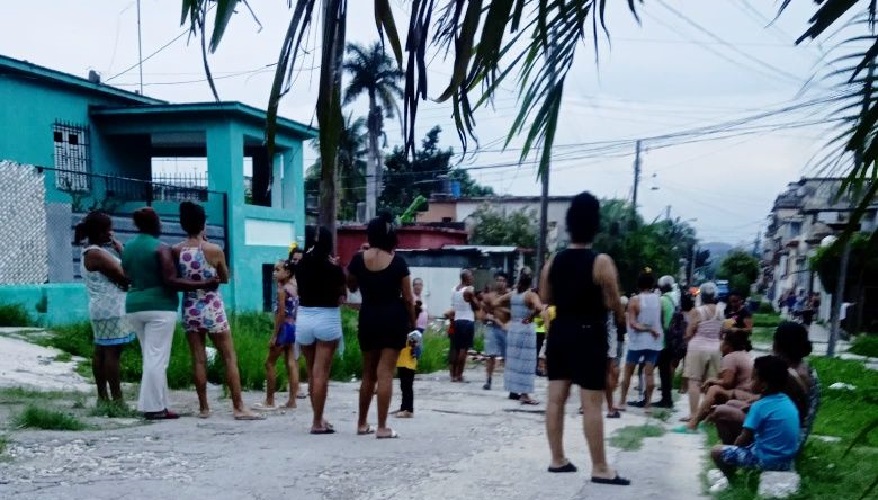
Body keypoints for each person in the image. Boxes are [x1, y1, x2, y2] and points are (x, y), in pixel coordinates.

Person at [540, 192, 629, 485]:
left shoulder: (554, 261)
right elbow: (615, 302)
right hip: (590, 333)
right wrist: (618, 317)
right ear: (595, 224)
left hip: (560, 331)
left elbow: (545, 298)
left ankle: (557, 458)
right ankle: (600, 467)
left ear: (569, 223)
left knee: (556, 398)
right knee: (592, 403)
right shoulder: (601, 261)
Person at [122, 207, 219, 420]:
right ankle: (153, 407)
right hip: (160, 306)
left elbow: (126, 276)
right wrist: (205, 283)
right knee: (157, 358)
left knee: (150, 355)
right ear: (154, 224)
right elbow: (171, 280)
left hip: (134, 306)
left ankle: (160, 403)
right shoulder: (161, 248)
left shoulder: (127, 247)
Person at [174, 202, 261, 420]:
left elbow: (178, 278)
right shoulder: (213, 250)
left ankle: (204, 408)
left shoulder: (176, 250)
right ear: (204, 223)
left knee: (198, 358)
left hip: (190, 306)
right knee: (228, 357)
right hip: (212, 305)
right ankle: (238, 406)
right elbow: (224, 278)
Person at [348, 213, 416, 439]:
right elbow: (408, 298)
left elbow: (351, 286)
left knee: (368, 373)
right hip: (393, 319)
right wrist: (413, 324)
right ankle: (382, 427)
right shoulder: (398, 262)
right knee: (385, 372)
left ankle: (361, 423)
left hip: (368, 317)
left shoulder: (358, 260)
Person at [710, 321, 819, 450]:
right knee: (731, 404)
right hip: (787, 425)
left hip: (786, 433)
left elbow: (780, 408)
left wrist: (752, 407)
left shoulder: (791, 375)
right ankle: (735, 451)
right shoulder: (799, 367)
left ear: (779, 344)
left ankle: (733, 455)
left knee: (721, 412)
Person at [75, 211, 134, 405]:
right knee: (112, 353)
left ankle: (103, 396)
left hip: (99, 307)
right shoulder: (97, 254)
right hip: (111, 308)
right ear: (102, 232)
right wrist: (122, 251)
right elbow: (125, 277)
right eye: (110, 228)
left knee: (101, 350)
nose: (112, 231)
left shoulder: (88, 251)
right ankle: (117, 398)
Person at [710, 355, 801, 479]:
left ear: (763, 386)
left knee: (716, 451)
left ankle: (731, 480)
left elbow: (744, 439)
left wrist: (734, 446)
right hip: (786, 461)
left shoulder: (759, 406)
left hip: (766, 461)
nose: (749, 383)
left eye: (753, 379)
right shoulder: (788, 402)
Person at [295, 225, 346, 435]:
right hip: (327, 318)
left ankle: (318, 417)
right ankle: (317, 422)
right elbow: (342, 296)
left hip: (304, 317)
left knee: (310, 372)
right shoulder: (334, 269)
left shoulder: (300, 265)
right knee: (321, 373)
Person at [674, 329, 753, 433]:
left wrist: (712, 381)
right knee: (714, 389)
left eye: (722, 341)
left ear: (728, 345)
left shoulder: (730, 357)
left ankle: (694, 423)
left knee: (714, 389)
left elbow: (728, 383)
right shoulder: (745, 354)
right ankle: (705, 419)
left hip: (744, 393)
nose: (720, 345)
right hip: (747, 393)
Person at [494, 268, 543, 405]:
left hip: (514, 328)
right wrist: (530, 317)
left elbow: (494, 303)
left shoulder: (512, 294)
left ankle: (513, 390)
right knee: (526, 362)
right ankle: (525, 394)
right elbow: (539, 308)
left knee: (514, 360)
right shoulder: (530, 295)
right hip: (526, 329)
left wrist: (511, 312)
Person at [617, 270, 663, 413]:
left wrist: (649, 329)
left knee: (628, 372)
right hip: (654, 342)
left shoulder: (635, 300)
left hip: (637, 342)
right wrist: (653, 330)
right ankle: (648, 403)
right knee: (649, 374)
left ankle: (622, 401)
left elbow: (633, 324)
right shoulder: (658, 299)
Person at [258, 259, 301, 410]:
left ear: (287, 272)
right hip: (294, 326)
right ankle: (292, 400)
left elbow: (281, 313)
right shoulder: (294, 286)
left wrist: (275, 335)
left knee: (269, 363)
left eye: (278, 270)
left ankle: (270, 400)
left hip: (284, 328)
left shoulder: (282, 290)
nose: (274, 273)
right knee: (291, 362)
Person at [681, 282, 724, 423]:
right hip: (715, 347)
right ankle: (707, 415)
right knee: (711, 383)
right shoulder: (721, 310)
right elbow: (722, 332)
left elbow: (689, 332)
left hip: (698, 346)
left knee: (694, 381)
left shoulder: (697, 311)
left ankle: (693, 415)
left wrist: (688, 337)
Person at [449, 270, 480, 383]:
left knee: (455, 349)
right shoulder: (469, 289)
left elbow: (452, 307)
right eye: (470, 276)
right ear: (465, 278)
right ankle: (459, 375)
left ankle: (452, 375)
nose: (472, 278)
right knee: (463, 350)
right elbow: (477, 307)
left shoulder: (453, 289)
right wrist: (474, 300)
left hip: (457, 320)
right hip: (467, 321)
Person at [481, 272, 510, 391]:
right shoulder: (489, 296)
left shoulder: (510, 296)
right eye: (498, 280)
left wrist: (503, 315)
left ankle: (509, 381)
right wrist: (491, 317)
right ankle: (488, 380)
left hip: (506, 328)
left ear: (506, 282)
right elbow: (483, 314)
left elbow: (515, 313)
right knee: (490, 355)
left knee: (508, 356)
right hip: (492, 327)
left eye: (502, 280)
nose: (500, 283)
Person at [655, 275, 678, 409]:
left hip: (663, 340)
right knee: (666, 371)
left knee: (662, 371)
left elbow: (660, 320)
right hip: (672, 339)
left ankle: (665, 400)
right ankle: (667, 398)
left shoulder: (662, 300)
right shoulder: (674, 299)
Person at [394, 329, 422, 418]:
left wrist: (415, 345)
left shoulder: (414, 334)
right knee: (403, 387)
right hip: (401, 363)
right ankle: (403, 407)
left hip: (409, 364)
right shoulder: (401, 333)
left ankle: (409, 409)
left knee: (407, 387)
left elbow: (418, 350)